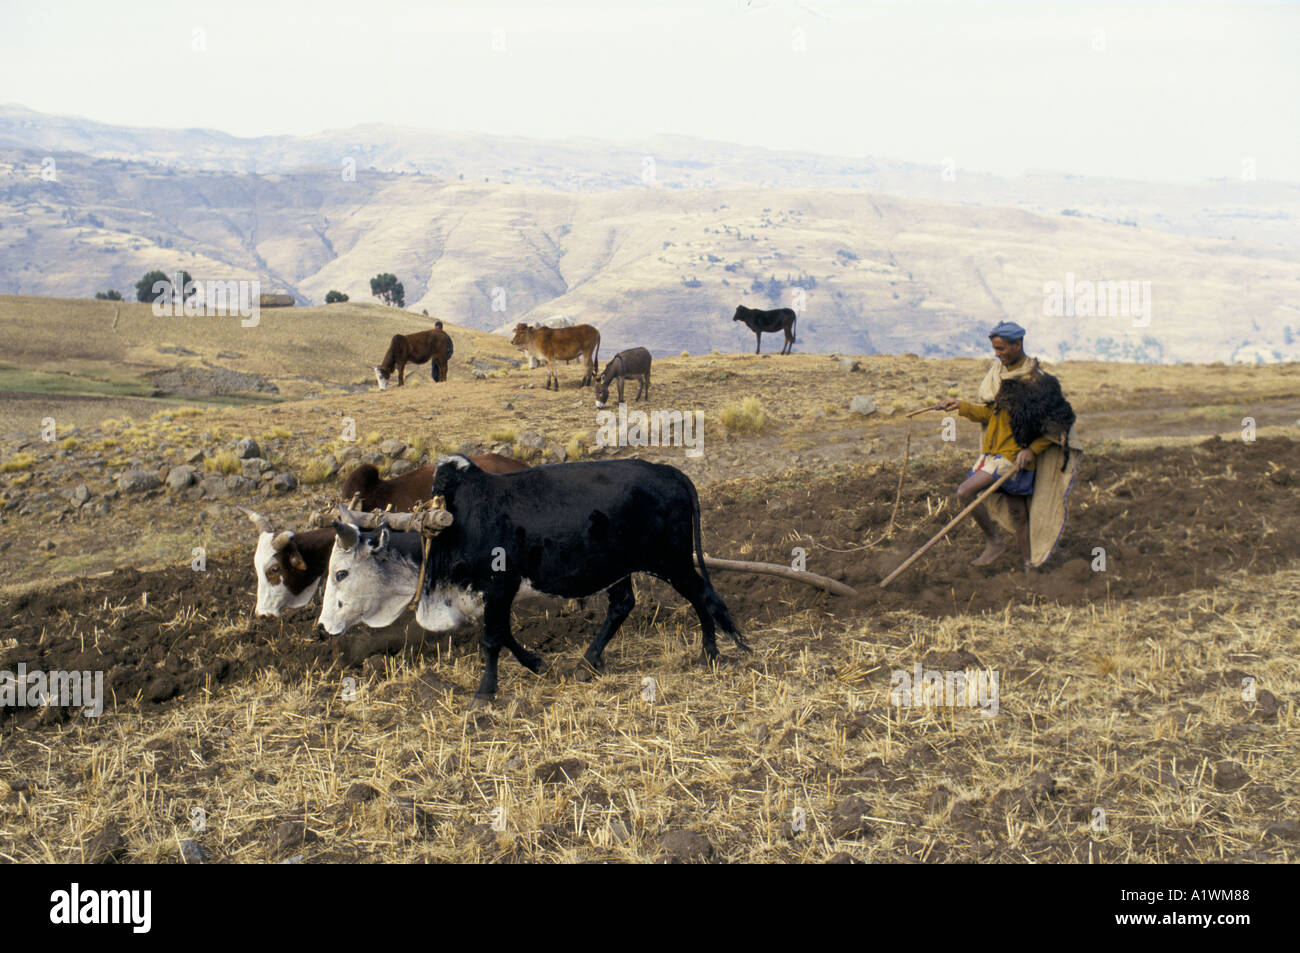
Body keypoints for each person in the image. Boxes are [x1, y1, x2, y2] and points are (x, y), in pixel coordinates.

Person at [939, 321, 1074, 572]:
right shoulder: (997, 375)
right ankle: (1028, 564)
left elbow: (1057, 425)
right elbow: (990, 414)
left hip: (1015, 458)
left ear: (1017, 345)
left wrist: (1030, 450)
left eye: (1001, 349)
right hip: (994, 453)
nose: (997, 354)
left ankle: (996, 543)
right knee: (1017, 512)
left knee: (965, 492)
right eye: (995, 348)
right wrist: (959, 406)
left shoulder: (1038, 383)